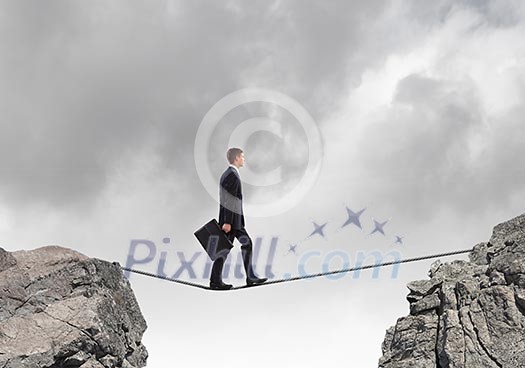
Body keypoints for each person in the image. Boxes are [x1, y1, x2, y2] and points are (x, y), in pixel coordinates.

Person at [210, 147, 268, 290]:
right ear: (236, 158)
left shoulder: (227, 174)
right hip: (232, 222)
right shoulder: (232, 175)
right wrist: (227, 222)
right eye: (242, 156)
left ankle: (250, 277)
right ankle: (216, 281)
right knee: (226, 249)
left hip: (234, 222)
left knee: (244, 245)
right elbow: (229, 200)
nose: (244, 159)